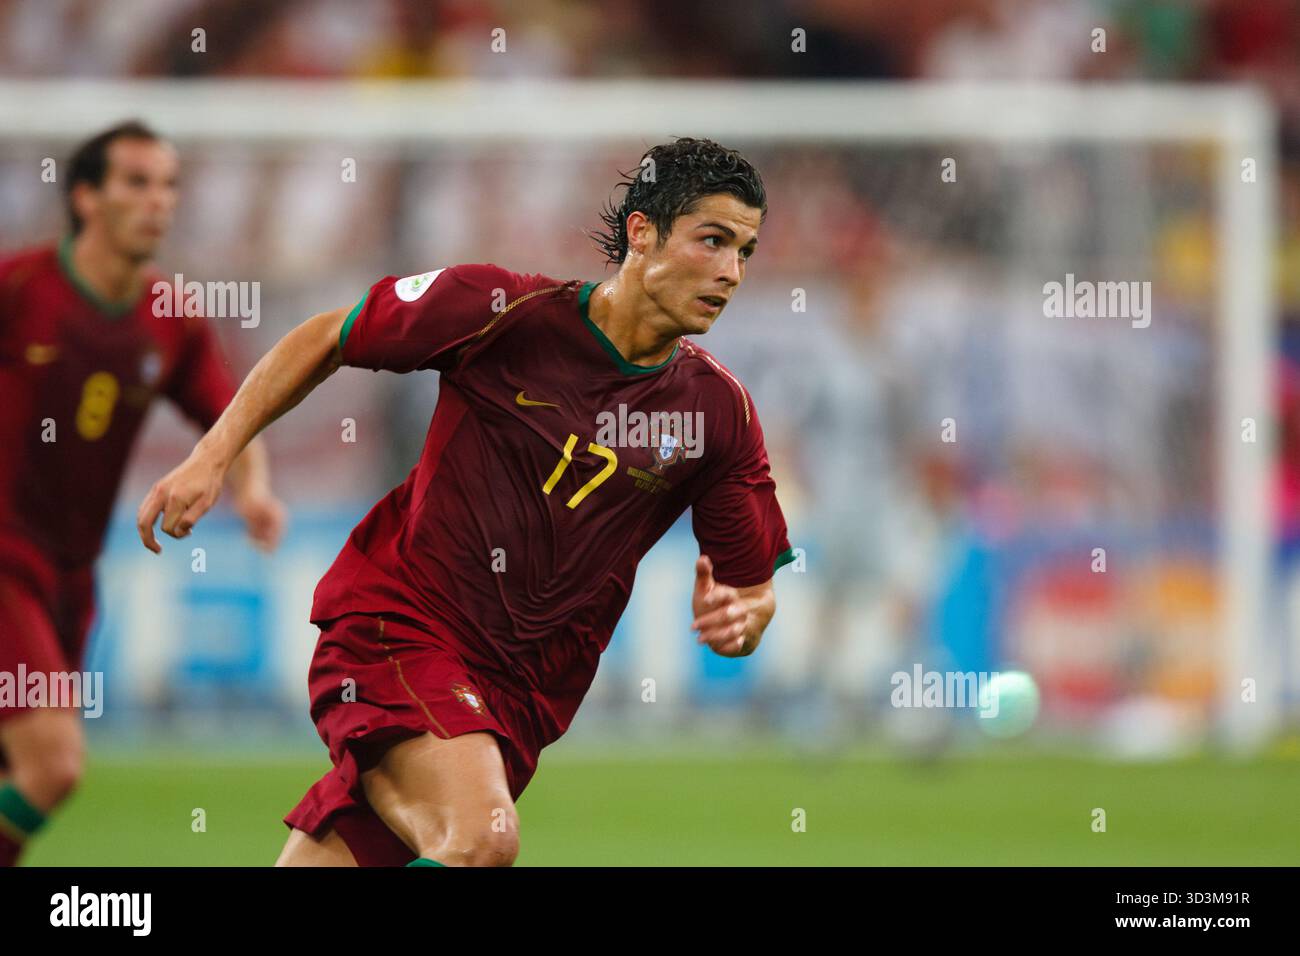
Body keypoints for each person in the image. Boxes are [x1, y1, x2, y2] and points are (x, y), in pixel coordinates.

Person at [138, 137, 793, 866]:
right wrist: (214, 452)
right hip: (399, 628)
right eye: (713, 241)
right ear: (643, 232)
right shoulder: (503, 311)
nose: (731, 272)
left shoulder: (716, 413)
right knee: (483, 841)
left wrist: (746, 619)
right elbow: (331, 337)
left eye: (746, 251)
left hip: (520, 701)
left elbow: (752, 586)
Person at [0, 121, 284, 865]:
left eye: (168, 185)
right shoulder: (21, 290)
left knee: (17, 772)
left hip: (70, 576)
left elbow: (232, 417)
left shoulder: (172, 319)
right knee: (52, 765)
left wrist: (252, 487)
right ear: (87, 197)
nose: (158, 201)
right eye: (136, 182)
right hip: (4, 561)